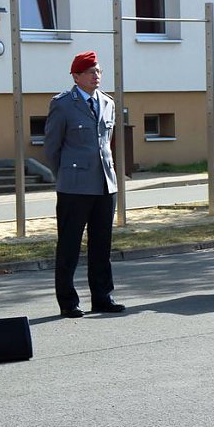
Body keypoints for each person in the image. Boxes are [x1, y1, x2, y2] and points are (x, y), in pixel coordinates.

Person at [44, 51, 126, 318]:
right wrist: (66, 175)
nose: (96, 76)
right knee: (69, 245)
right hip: (74, 187)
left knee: (101, 245)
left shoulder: (108, 103)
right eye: (91, 72)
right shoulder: (63, 104)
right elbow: (52, 147)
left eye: (98, 71)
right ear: (76, 76)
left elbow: (106, 143)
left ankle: (102, 297)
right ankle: (68, 301)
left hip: (105, 184)